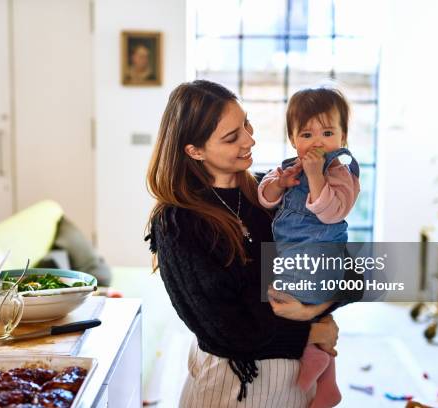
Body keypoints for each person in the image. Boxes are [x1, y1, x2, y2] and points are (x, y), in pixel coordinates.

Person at [146, 80, 340, 407]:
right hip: (233, 388)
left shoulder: (273, 192)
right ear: (194, 150)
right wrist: (309, 331)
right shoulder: (178, 224)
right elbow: (230, 332)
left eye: (246, 123)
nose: (250, 139)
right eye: (232, 136)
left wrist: (319, 309)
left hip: (295, 384)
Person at [257, 88, 361, 407]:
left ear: (343, 137)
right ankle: (326, 378)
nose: (317, 142)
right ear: (292, 138)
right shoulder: (289, 167)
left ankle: (315, 358)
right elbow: (265, 198)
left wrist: (316, 177)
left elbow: (331, 211)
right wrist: (279, 183)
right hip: (292, 255)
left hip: (321, 256)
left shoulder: (342, 173)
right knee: (298, 307)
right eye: (306, 133)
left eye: (327, 133)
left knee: (279, 300)